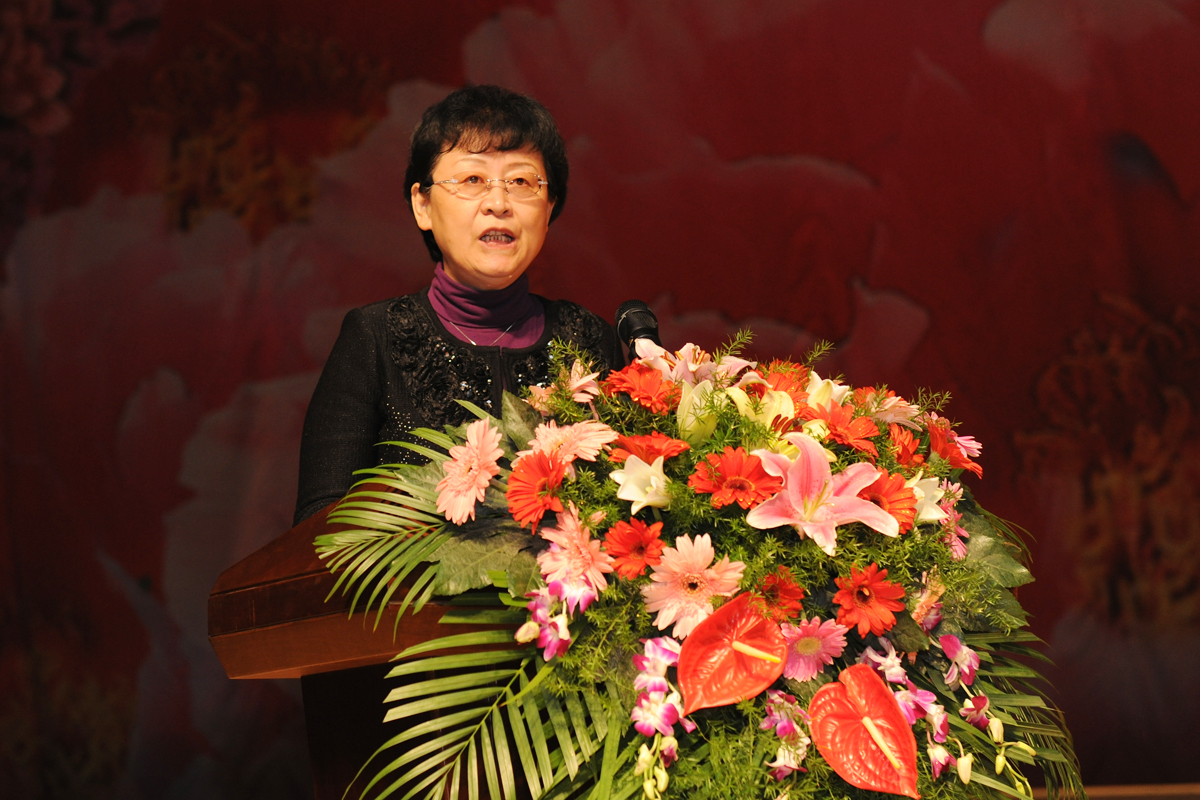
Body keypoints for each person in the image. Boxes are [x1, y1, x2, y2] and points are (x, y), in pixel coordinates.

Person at [294, 85, 624, 525]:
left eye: (521, 182)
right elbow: (321, 527)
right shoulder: (374, 337)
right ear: (423, 205)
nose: (498, 203)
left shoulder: (589, 340)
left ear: (548, 209)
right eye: (472, 180)